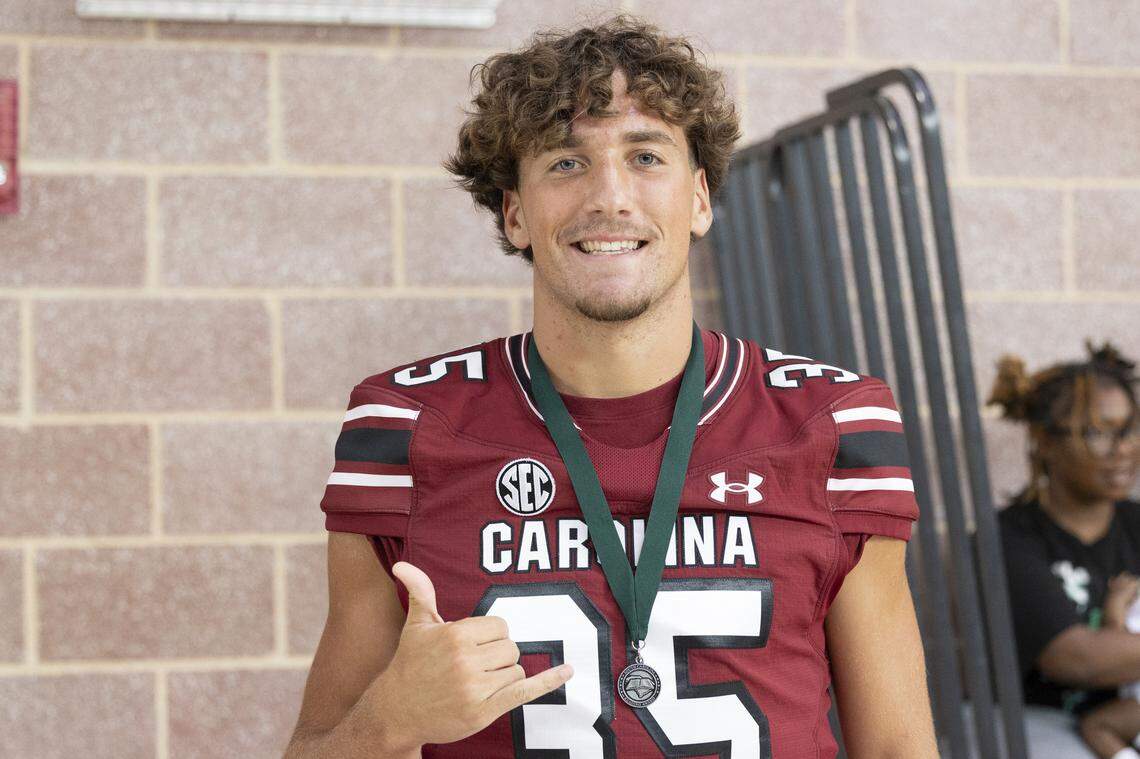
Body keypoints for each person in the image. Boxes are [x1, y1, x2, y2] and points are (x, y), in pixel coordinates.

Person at [284, 14, 938, 758]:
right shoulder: (403, 426)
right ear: (515, 211)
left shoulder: (830, 421)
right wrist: (389, 719)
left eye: (646, 156)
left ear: (698, 200)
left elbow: (897, 746)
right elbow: (315, 745)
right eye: (566, 162)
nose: (610, 196)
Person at [990, 342, 1140, 759]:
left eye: (1129, 428)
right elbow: (1076, 659)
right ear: (1046, 442)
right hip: (1039, 724)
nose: (1123, 447)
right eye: (1097, 432)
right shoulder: (1005, 539)